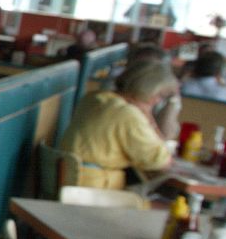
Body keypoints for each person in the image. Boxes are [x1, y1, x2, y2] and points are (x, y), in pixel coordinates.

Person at [58, 58, 180, 189]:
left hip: (70, 181)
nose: (157, 101)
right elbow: (160, 161)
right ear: (147, 90)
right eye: (160, 95)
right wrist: (148, 115)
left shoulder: (95, 97)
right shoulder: (126, 113)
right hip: (92, 189)